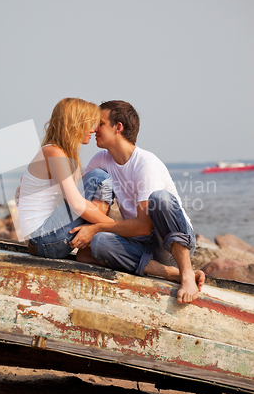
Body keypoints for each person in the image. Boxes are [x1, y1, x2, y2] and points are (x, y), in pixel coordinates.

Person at [69, 100, 205, 304]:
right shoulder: (101, 160)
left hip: (170, 243)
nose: (94, 128)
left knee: (160, 199)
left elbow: (143, 226)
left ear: (118, 127)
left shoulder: (145, 164)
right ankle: (169, 272)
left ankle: (185, 273)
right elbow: (82, 197)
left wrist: (96, 227)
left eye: (100, 123)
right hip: (140, 244)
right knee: (99, 243)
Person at [18, 98, 114, 259]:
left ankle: (95, 238)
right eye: (89, 123)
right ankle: (102, 238)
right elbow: (76, 203)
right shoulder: (54, 152)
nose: (93, 129)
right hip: (43, 239)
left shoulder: (54, 152)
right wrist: (116, 227)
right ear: (76, 124)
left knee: (96, 178)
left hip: (42, 239)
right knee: (99, 177)